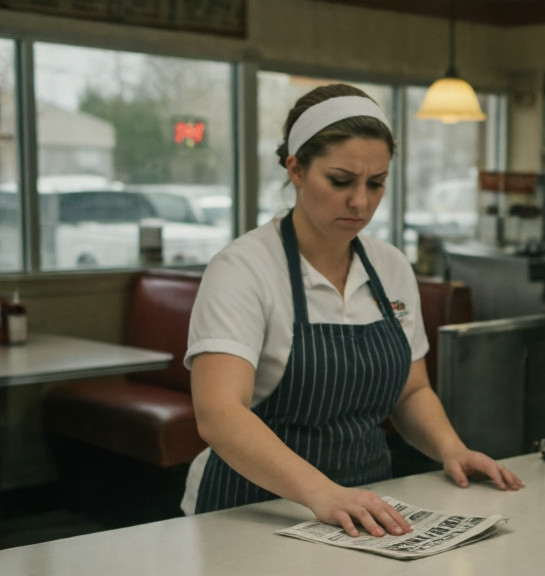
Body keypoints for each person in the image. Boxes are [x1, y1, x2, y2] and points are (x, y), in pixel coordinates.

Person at [181, 83, 524, 537]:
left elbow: (411, 392)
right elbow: (220, 414)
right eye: (341, 181)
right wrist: (320, 491)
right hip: (251, 511)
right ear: (296, 169)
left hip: (366, 510)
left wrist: (450, 448)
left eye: (376, 183)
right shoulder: (243, 269)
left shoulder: (390, 267)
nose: (361, 202)